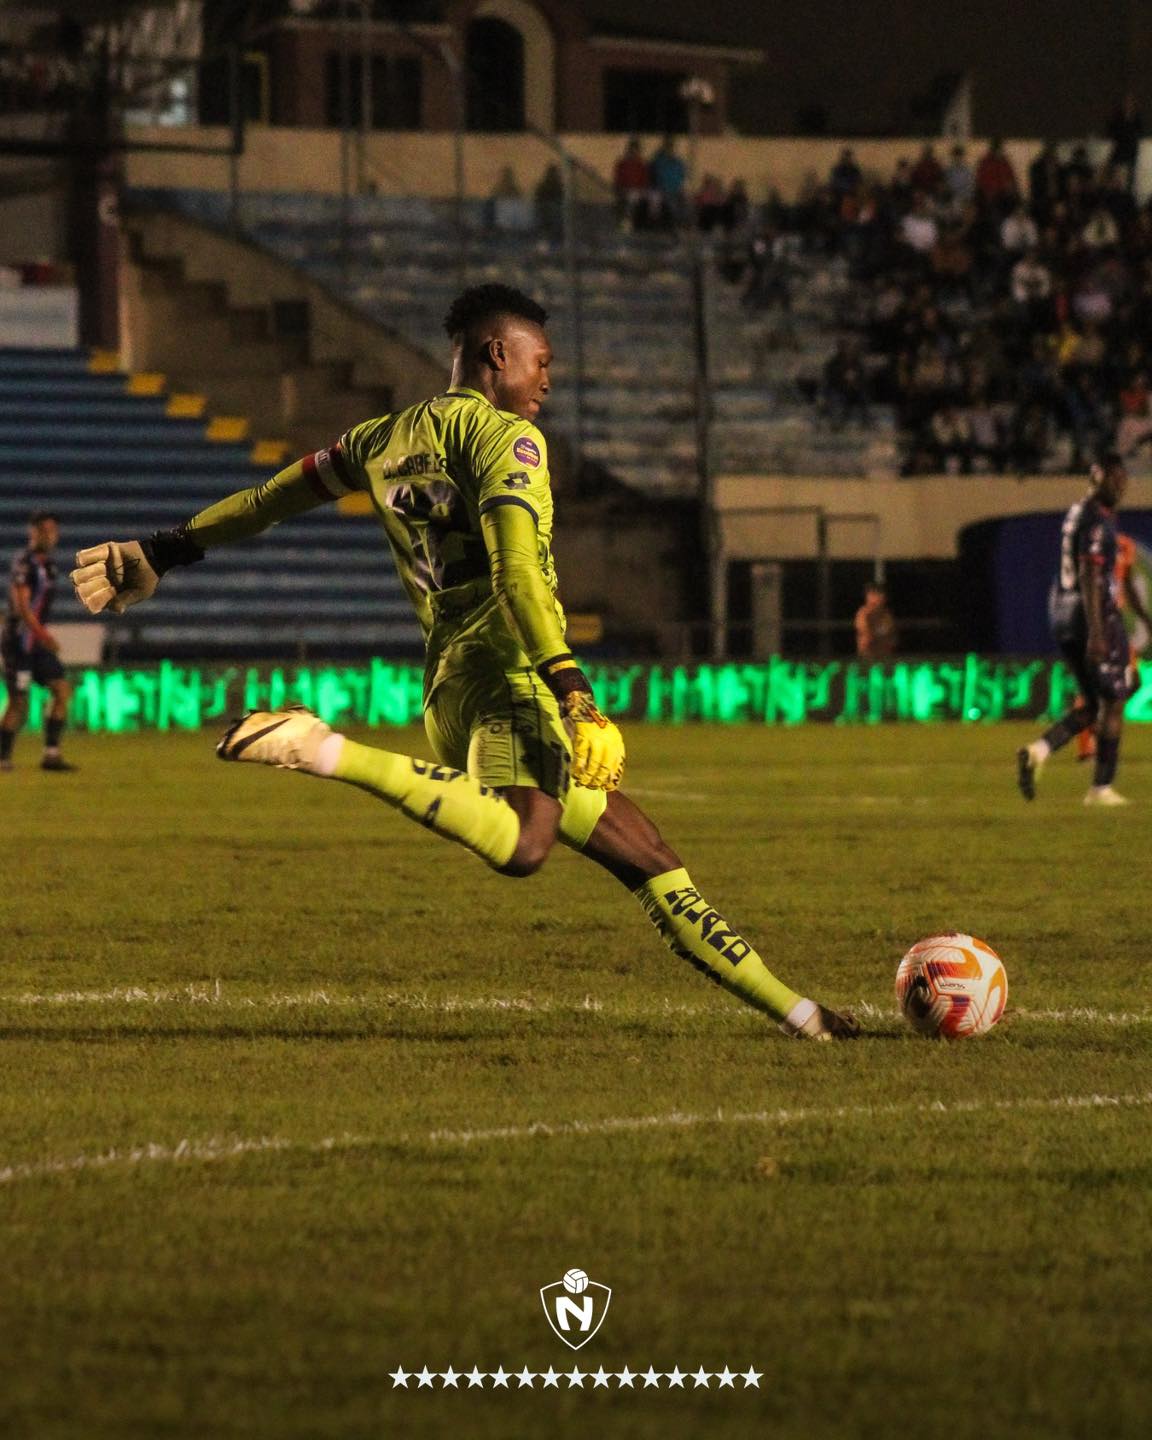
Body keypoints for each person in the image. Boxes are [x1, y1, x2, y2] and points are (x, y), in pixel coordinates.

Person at [71, 283, 858, 1041]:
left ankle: (803, 1016)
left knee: (648, 856)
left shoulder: (379, 439)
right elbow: (517, 575)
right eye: (538, 361)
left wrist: (166, 550)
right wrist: (575, 692)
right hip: (508, 679)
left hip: (451, 683)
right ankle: (323, 748)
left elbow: (276, 495)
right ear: (495, 354)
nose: (547, 379)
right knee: (524, 846)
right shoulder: (506, 438)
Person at [1018, 455, 1134, 805]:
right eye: (1111, 478)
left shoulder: (1077, 512)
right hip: (1089, 616)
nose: (1119, 486)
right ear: (1094, 477)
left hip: (1064, 613)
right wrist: (1098, 632)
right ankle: (1101, 788)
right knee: (1113, 702)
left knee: (1095, 700)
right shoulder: (1097, 519)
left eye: (1122, 479)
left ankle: (1038, 750)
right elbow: (1089, 574)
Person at [1, 510, 74, 772]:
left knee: (61, 689)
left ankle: (51, 754)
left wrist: (41, 637)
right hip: (19, 642)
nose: (51, 536)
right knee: (19, 701)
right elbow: (22, 607)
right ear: (33, 532)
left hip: (37, 643)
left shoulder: (50, 566)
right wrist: (44, 636)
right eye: (45, 530)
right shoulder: (24, 563)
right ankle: (2, 758)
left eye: (54, 531)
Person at [854, 582, 897, 658]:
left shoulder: (887, 614)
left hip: (885, 656)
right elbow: (866, 636)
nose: (877, 598)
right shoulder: (863, 613)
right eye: (872, 594)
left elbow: (893, 638)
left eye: (880, 594)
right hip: (869, 657)